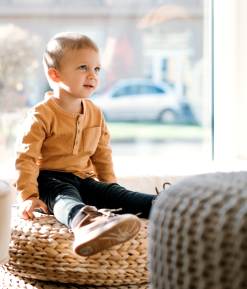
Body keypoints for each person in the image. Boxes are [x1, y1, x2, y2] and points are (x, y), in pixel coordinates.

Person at [14, 32, 155, 257]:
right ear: (55, 75)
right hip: (50, 180)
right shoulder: (41, 115)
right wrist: (29, 196)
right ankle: (87, 224)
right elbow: (26, 158)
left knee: (118, 195)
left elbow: (102, 155)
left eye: (97, 69)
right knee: (64, 199)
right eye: (83, 68)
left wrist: (110, 189)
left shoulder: (95, 113)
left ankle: (167, 206)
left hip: (84, 179)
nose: (93, 75)